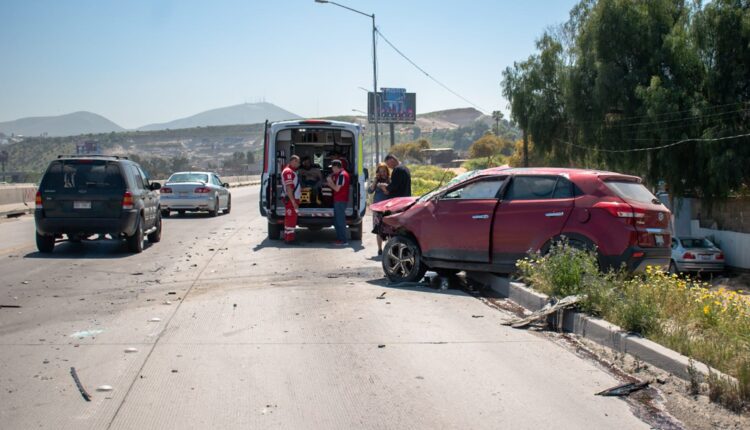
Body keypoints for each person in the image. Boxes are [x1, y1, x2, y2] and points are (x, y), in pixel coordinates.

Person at [367, 163, 391, 255]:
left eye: (384, 171)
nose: (382, 173)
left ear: (387, 171)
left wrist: (384, 188)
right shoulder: (376, 180)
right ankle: (379, 249)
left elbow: (389, 193)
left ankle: (388, 248)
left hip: (387, 208)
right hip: (377, 208)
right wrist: (375, 181)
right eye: (380, 171)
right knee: (378, 229)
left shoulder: (390, 181)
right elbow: (370, 191)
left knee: (388, 229)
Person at [326, 159, 350, 246]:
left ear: (336, 167)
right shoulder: (341, 174)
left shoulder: (342, 176)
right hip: (339, 200)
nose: (332, 170)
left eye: (333, 168)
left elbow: (337, 188)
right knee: (337, 220)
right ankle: (340, 239)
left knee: (340, 221)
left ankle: (343, 240)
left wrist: (330, 182)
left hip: (340, 201)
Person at [281, 155, 301, 244]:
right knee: (291, 218)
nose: (299, 164)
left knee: (290, 218)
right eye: (298, 162)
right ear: (293, 161)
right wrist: (293, 202)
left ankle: (288, 237)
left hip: (291, 199)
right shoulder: (288, 172)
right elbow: (289, 188)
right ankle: (289, 239)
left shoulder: (290, 171)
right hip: (290, 199)